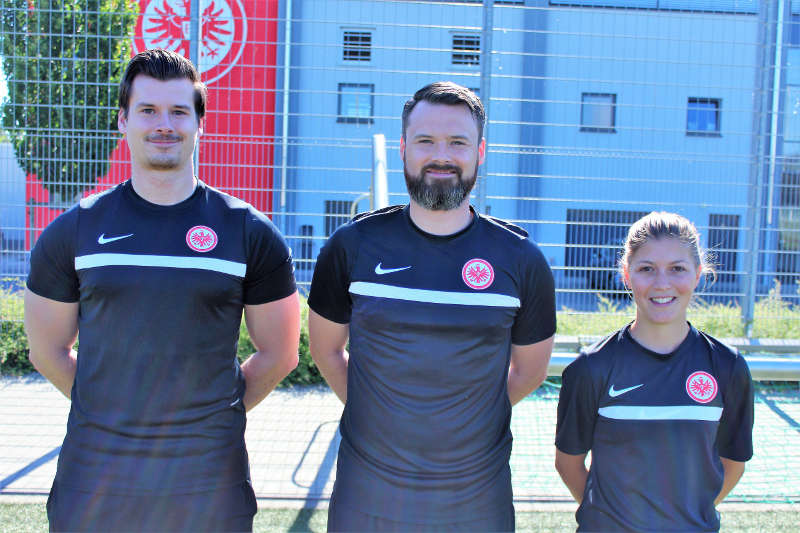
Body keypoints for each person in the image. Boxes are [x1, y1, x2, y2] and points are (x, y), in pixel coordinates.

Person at [24, 48, 301, 532]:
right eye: (148, 110)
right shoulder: (74, 230)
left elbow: (280, 354)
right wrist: (111, 408)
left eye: (179, 111)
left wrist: (215, 413)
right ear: (123, 121)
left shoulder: (248, 232)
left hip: (209, 479)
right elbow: (47, 350)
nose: (163, 124)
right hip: (96, 477)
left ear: (200, 124)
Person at [307, 81, 557, 532]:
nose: (441, 155)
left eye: (457, 142)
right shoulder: (351, 246)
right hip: (369, 496)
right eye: (425, 141)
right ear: (404, 149)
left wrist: (468, 418)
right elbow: (325, 350)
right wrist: (378, 412)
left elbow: (530, 372)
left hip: (476, 499)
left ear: (480, 151)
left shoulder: (521, 259)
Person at [555, 211, 754, 532]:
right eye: (647, 269)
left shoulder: (727, 367)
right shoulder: (591, 367)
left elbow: (733, 464)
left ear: (699, 273)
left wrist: (684, 515)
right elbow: (568, 464)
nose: (662, 284)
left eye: (677, 269)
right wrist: (613, 516)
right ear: (626, 274)